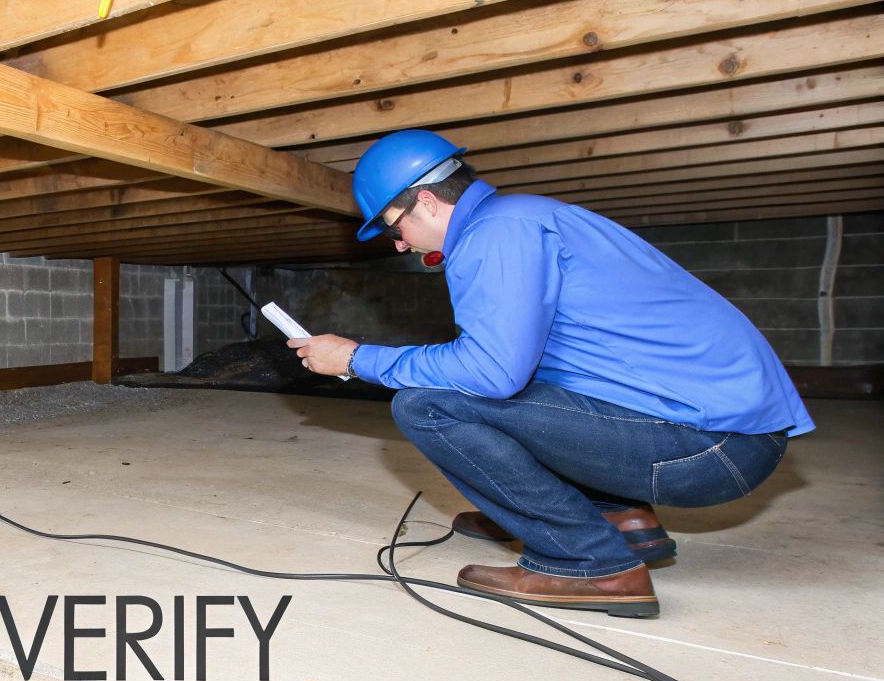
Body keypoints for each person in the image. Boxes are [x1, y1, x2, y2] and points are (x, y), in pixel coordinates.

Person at [288, 129, 812, 618]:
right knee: (514, 381)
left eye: (392, 225)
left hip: (709, 451)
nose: (398, 243)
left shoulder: (496, 234)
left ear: (426, 200)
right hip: (726, 437)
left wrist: (358, 359)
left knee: (427, 404)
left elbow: (490, 372)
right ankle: (618, 519)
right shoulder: (522, 218)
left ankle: (589, 561)